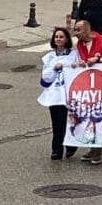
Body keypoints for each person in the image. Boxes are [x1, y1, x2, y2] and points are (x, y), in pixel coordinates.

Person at [73, 19, 102, 165]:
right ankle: (92, 147)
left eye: (78, 30)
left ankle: (98, 150)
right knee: (88, 117)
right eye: (75, 30)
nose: (76, 33)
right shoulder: (79, 44)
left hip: (101, 85)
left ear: (87, 30)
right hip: (88, 86)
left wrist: (97, 59)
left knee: (99, 117)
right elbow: (80, 59)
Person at [38, 27, 79, 161]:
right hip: (54, 94)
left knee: (70, 121)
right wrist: (53, 68)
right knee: (57, 123)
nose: (58, 39)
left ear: (67, 39)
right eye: (56, 37)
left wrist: (68, 66)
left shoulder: (73, 55)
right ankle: (57, 149)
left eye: (61, 37)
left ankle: (70, 145)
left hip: (69, 93)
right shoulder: (49, 57)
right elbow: (45, 79)